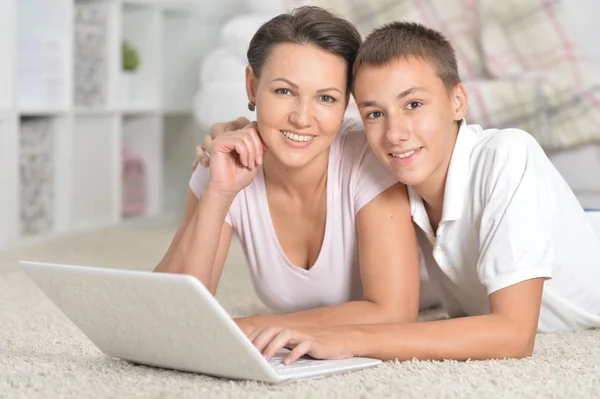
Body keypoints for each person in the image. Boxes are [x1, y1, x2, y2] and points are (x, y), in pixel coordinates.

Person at [200, 21, 600, 365]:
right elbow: (314, 136)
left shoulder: (508, 154)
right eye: (375, 113)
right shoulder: (390, 173)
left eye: (413, 104)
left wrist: (351, 340)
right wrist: (238, 128)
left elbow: (513, 335)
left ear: (458, 100)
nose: (394, 133)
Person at [154, 7, 437, 335]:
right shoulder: (226, 159)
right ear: (251, 86)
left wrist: (242, 328)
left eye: (326, 98)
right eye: (284, 91)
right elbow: (166, 311)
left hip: (462, 295)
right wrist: (218, 194)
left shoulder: (367, 156)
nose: (302, 118)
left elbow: (393, 313)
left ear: (347, 103)